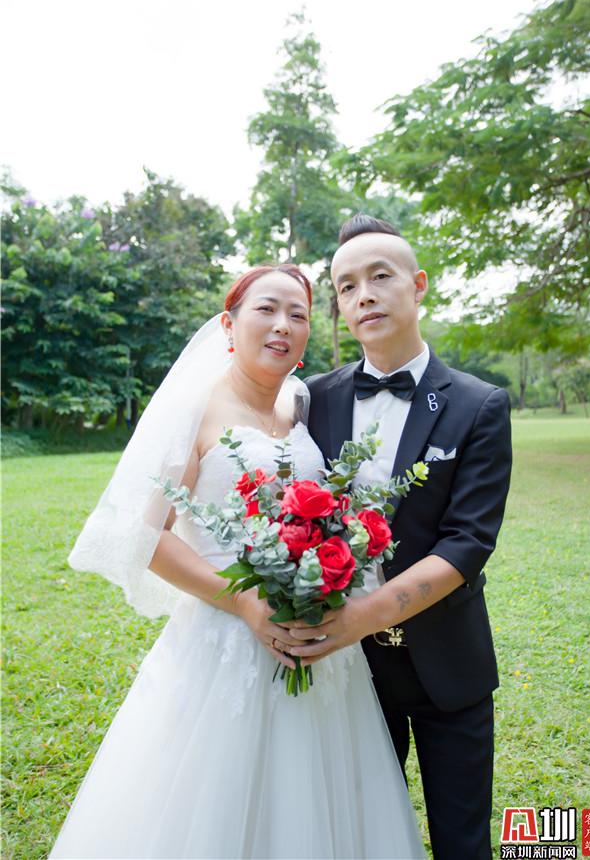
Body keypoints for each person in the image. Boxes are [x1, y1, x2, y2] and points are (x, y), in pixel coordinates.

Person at [49, 264, 425, 859]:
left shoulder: (302, 406)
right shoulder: (194, 409)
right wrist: (246, 604)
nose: (283, 326)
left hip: (317, 640)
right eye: (266, 310)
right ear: (228, 324)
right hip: (222, 640)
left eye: (298, 315)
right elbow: (147, 536)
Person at [289, 215, 512, 860]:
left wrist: (358, 619)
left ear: (417, 286)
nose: (364, 295)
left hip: (449, 662)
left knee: (463, 840)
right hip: (349, 672)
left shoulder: (479, 404)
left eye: (380, 277)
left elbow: (468, 542)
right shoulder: (313, 400)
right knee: (357, 837)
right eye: (347, 286)